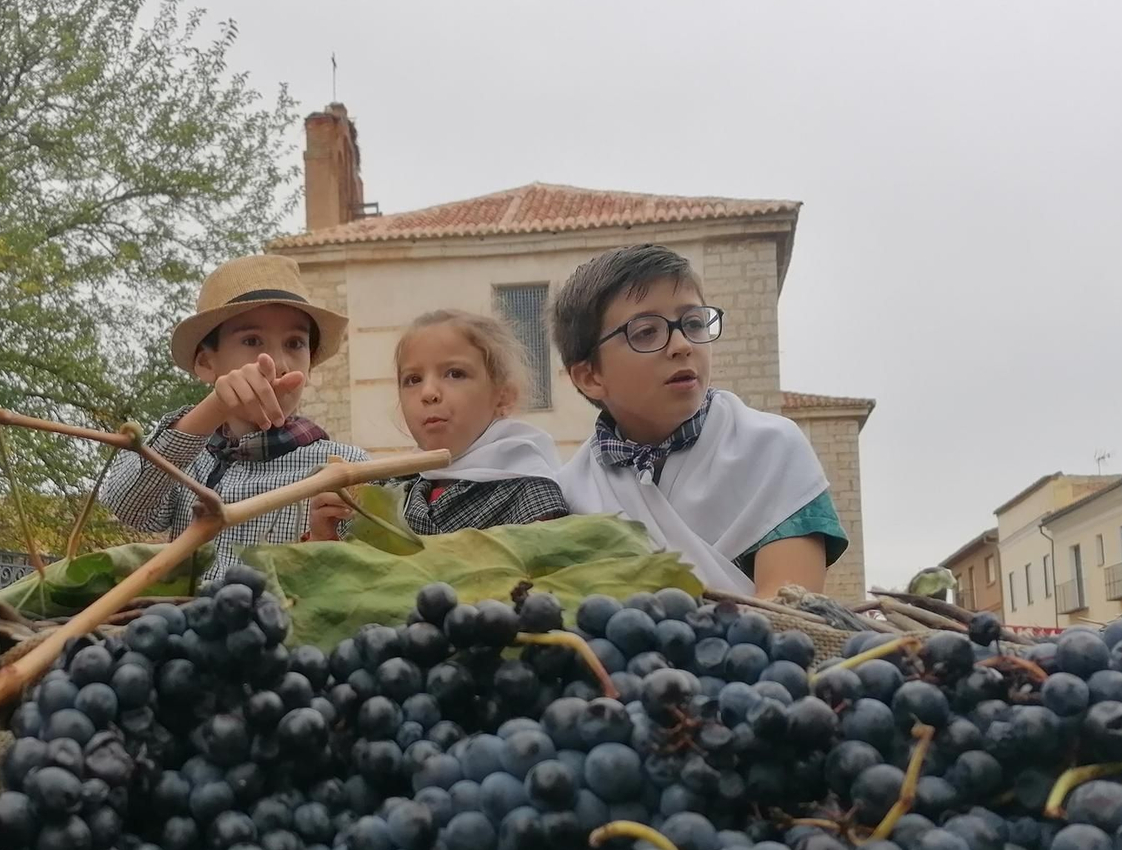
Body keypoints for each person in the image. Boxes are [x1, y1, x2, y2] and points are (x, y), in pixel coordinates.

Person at [552, 244, 848, 596]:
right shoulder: (567, 496)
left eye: (693, 323)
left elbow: (791, 617)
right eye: (646, 331)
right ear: (590, 377)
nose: (682, 344)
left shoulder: (771, 451)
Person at [100, 253, 366, 581]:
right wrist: (214, 407)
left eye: (295, 343)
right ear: (205, 364)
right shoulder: (185, 461)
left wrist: (325, 540)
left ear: (309, 364)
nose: (278, 363)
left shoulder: (343, 470)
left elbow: (362, 586)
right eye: (252, 341)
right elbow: (125, 504)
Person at [306, 309, 568, 539]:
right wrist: (325, 537)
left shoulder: (530, 494)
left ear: (503, 396)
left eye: (455, 374)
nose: (428, 392)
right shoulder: (384, 493)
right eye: (413, 379)